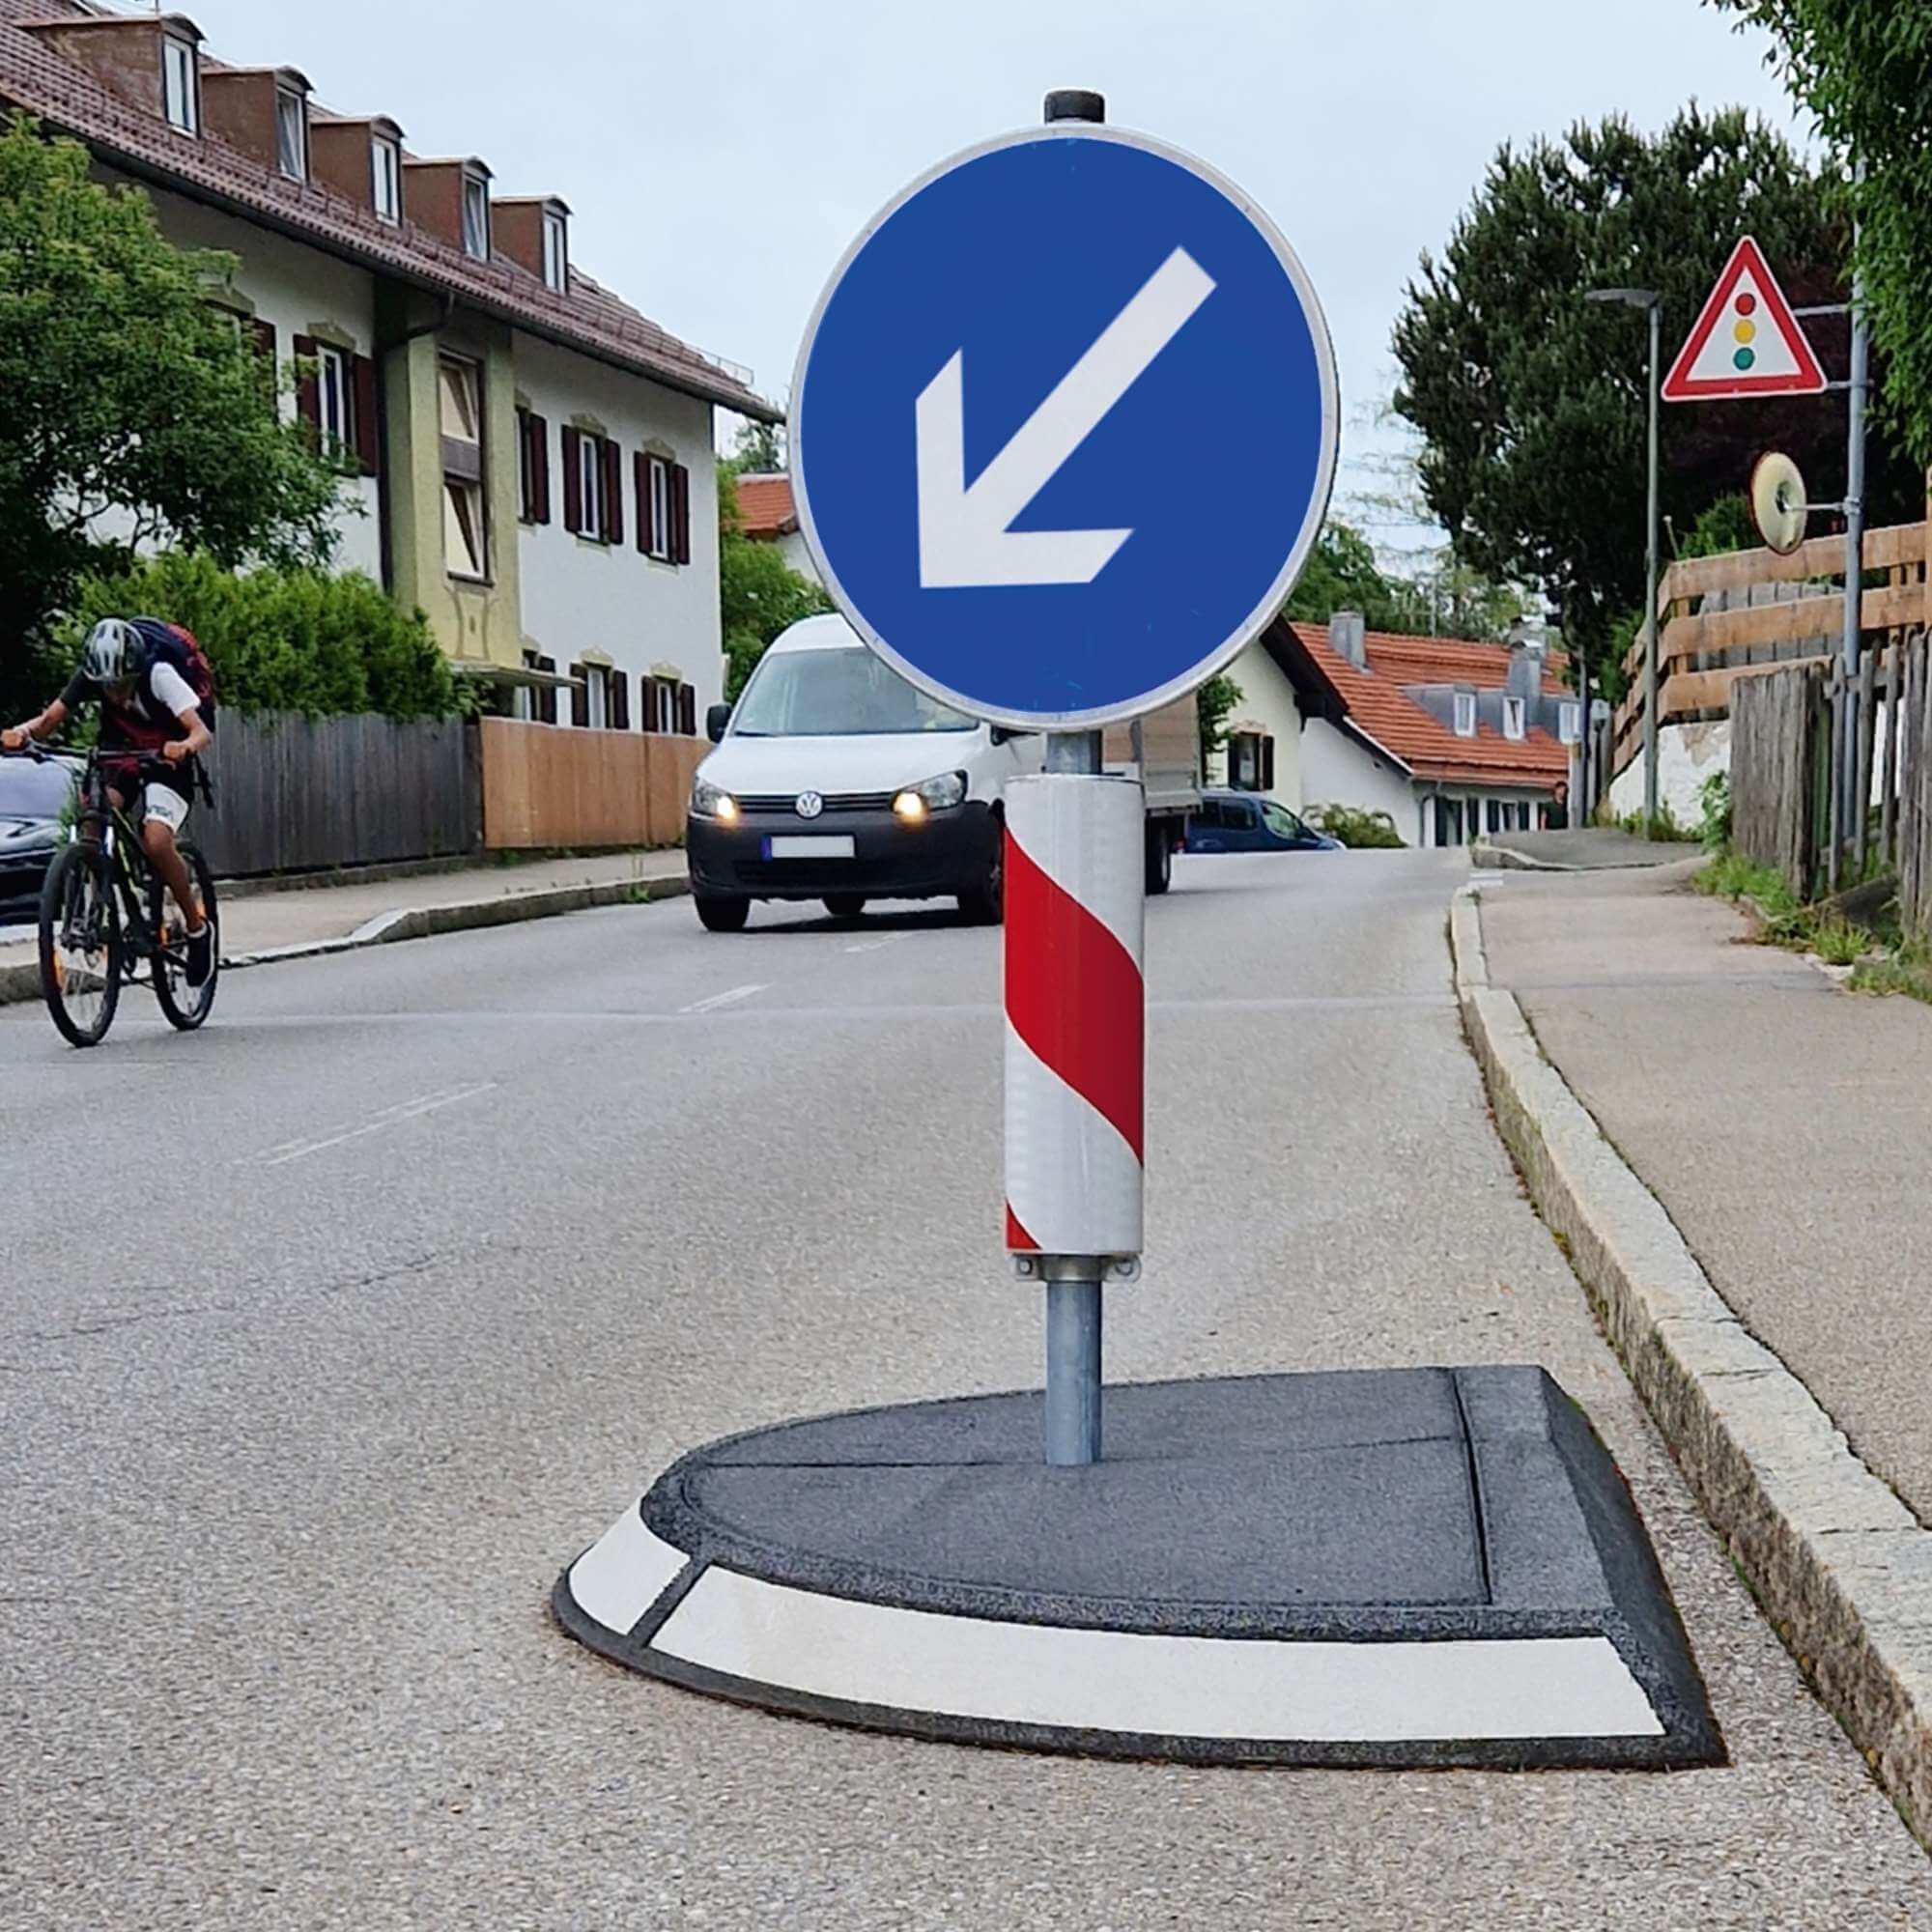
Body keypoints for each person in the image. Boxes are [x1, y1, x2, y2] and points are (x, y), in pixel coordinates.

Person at [1, 617, 213, 984]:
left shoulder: (159, 674)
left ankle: (197, 930)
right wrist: (20, 733)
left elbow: (200, 730)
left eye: (121, 684)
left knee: (157, 840)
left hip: (166, 758)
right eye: (107, 687)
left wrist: (183, 747)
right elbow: (51, 719)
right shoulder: (91, 675)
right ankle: (97, 904)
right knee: (92, 815)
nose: (114, 694)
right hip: (121, 754)